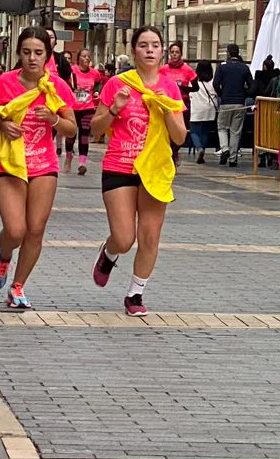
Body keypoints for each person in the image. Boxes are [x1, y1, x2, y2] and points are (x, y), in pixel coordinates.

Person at [92, 25, 187, 316]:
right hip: (120, 163)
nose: (149, 50)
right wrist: (114, 110)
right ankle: (108, 254)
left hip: (155, 167)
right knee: (124, 238)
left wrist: (165, 109)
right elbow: (95, 130)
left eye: (155, 45)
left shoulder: (170, 87)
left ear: (162, 51)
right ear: (133, 50)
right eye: (143, 45)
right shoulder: (117, 84)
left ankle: (135, 294)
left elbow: (180, 137)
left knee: (149, 236)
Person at [0, 28, 77, 311]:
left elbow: (71, 127)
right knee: (15, 230)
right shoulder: (5, 83)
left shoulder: (57, 87)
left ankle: (18, 286)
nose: (32, 58)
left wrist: (53, 120)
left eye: (38, 53)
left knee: (35, 230)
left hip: (43, 165)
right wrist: (2, 124)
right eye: (26, 52)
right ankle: (4, 253)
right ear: (18, 54)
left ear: (48, 56)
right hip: (10, 164)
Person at [213, 43, 253, 167]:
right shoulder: (244, 68)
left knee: (222, 127)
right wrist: (244, 94)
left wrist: (221, 94)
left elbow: (215, 84)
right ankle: (233, 158)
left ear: (228, 53)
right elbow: (251, 85)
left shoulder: (222, 67)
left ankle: (225, 149)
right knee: (236, 131)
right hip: (240, 103)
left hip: (225, 101)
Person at [67, 50, 101, 175]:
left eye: (88, 56)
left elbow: (98, 84)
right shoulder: (73, 71)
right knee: (71, 134)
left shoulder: (94, 73)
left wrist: (97, 92)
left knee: (84, 135)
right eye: (84, 56)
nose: (87, 58)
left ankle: (82, 163)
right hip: (73, 107)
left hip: (88, 107)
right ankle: (69, 156)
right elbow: (66, 85)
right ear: (79, 58)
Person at [185, 60, 218, 163]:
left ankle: (199, 148)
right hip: (209, 110)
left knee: (194, 131)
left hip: (196, 109)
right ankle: (202, 150)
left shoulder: (193, 82)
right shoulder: (213, 82)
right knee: (205, 132)